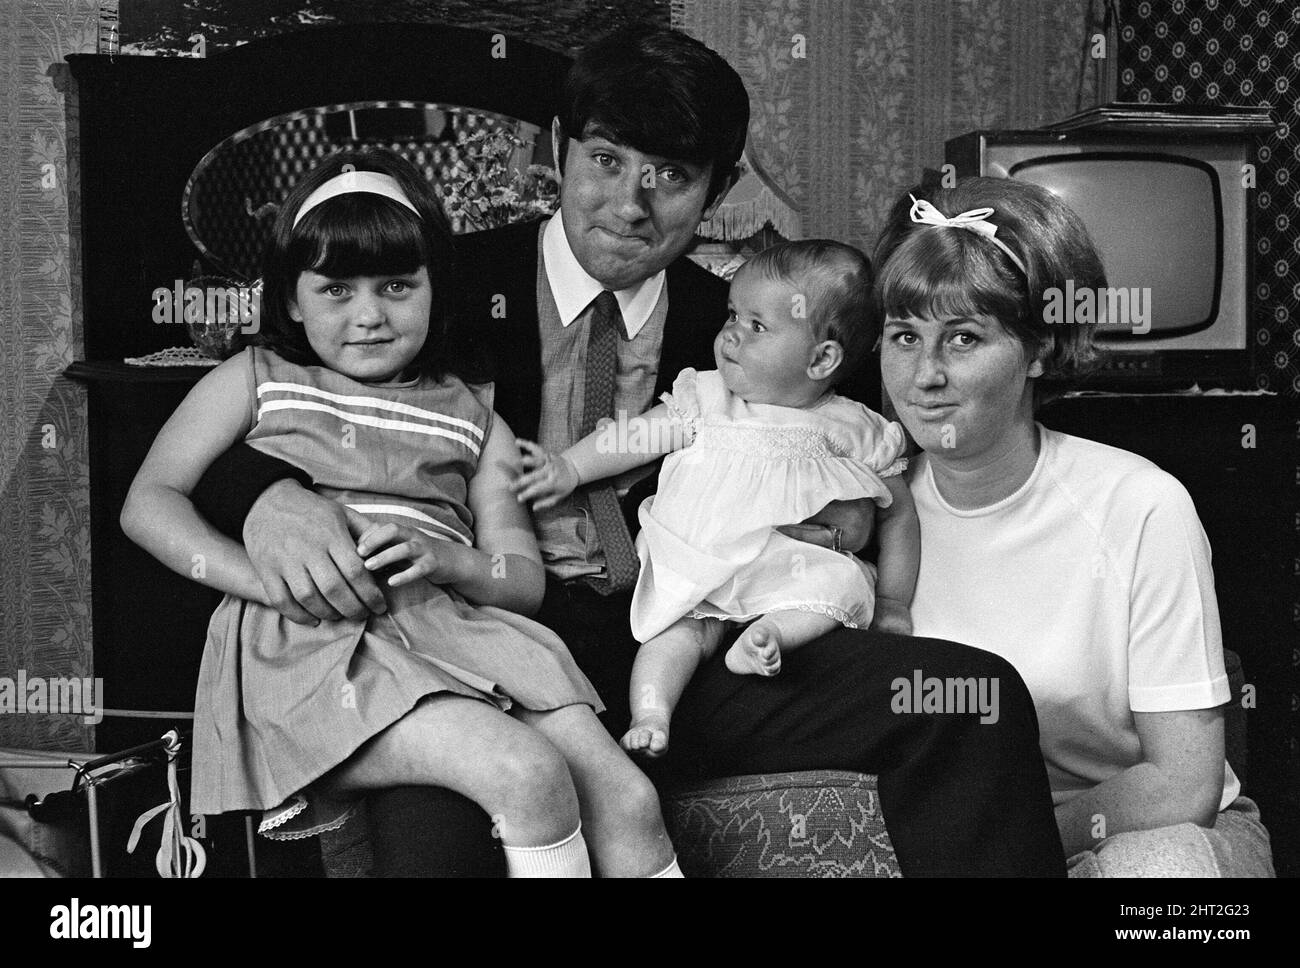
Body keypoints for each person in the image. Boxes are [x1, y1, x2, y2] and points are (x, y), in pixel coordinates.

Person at [190, 26, 1066, 877]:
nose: (629, 205)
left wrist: (841, 526)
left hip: (691, 643)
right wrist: (265, 495)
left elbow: (863, 446)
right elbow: (266, 386)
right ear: (561, 151)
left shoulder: (747, 325)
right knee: (439, 835)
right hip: (478, 646)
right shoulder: (437, 284)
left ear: (717, 191)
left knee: (973, 701)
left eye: (671, 178)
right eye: (606, 161)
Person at [121, 149, 684, 878]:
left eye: (396, 286)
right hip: (318, 651)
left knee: (629, 800)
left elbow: (521, 582)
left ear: (432, 288)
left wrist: (455, 561)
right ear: (291, 299)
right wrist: (266, 581)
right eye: (335, 290)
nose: (368, 316)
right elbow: (148, 502)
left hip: (465, 636)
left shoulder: (477, 418)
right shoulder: (256, 379)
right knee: (526, 773)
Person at [874, 177, 1275, 877]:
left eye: (963, 338)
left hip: (1157, 831)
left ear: (1036, 351)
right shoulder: (865, 511)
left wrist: (1016, 849)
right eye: (905, 336)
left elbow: (1184, 784)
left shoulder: (1141, 505)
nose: (924, 374)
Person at [512, 240, 919, 759]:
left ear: (822, 359)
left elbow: (900, 515)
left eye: (757, 326)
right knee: (672, 635)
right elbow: (636, 435)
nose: (731, 334)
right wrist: (569, 467)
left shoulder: (855, 427)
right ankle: (652, 714)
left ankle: (768, 638)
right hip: (701, 567)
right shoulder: (709, 398)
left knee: (835, 586)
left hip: (788, 570)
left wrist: (893, 604)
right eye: (732, 315)